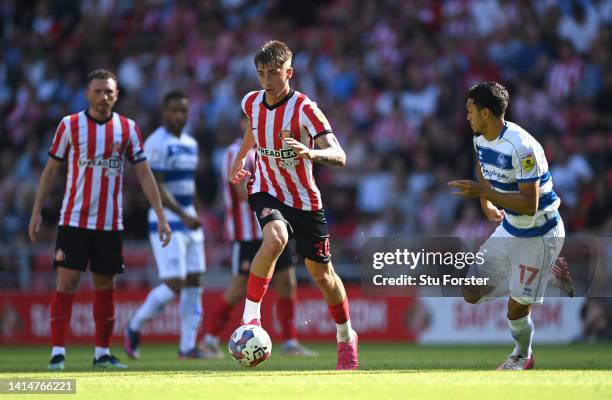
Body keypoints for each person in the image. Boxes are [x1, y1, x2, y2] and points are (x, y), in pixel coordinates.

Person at [28, 69, 171, 370]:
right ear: (87, 94)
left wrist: (160, 214)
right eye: (98, 91)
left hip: (109, 224)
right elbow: (51, 171)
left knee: (105, 286)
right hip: (74, 221)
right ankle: (57, 353)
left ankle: (102, 354)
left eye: (109, 91)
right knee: (66, 283)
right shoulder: (70, 126)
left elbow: (143, 173)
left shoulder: (128, 129)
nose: (103, 97)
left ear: (116, 95)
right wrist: (36, 210)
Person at [229, 40, 358, 370]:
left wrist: (311, 153)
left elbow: (340, 155)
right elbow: (253, 131)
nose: (267, 82)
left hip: (304, 200)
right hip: (266, 188)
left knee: (322, 274)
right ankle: (251, 321)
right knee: (275, 238)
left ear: (289, 72)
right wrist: (242, 158)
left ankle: (345, 336)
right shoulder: (252, 102)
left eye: (273, 73)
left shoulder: (305, 109)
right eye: (261, 74)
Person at [449, 81, 575, 370]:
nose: (466, 115)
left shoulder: (522, 146)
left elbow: (529, 204)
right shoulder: (480, 137)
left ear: (485, 113)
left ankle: (522, 355)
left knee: (516, 307)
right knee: (470, 290)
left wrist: (483, 193)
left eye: (469, 110)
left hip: (540, 233)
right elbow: (483, 168)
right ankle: (548, 275)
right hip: (511, 228)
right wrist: (486, 202)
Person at [200, 137, 316, 358]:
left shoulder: (270, 150)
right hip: (247, 234)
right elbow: (241, 191)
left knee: (287, 282)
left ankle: (291, 342)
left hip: (274, 230)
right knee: (238, 287)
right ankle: (209, 340)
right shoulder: (236, 152)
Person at [124, 90, 206, 359]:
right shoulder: (157, 143)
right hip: (166, 220)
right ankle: (134, 326)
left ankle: (187, 346)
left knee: (194, 281)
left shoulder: (191, 144)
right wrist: (183, 215)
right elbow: (156, 186)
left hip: (189, 219)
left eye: (183, 110)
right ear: (165, 112)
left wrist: (195, 211)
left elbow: (188, 183)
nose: (179, 115)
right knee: (174, 283)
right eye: (174, 110)